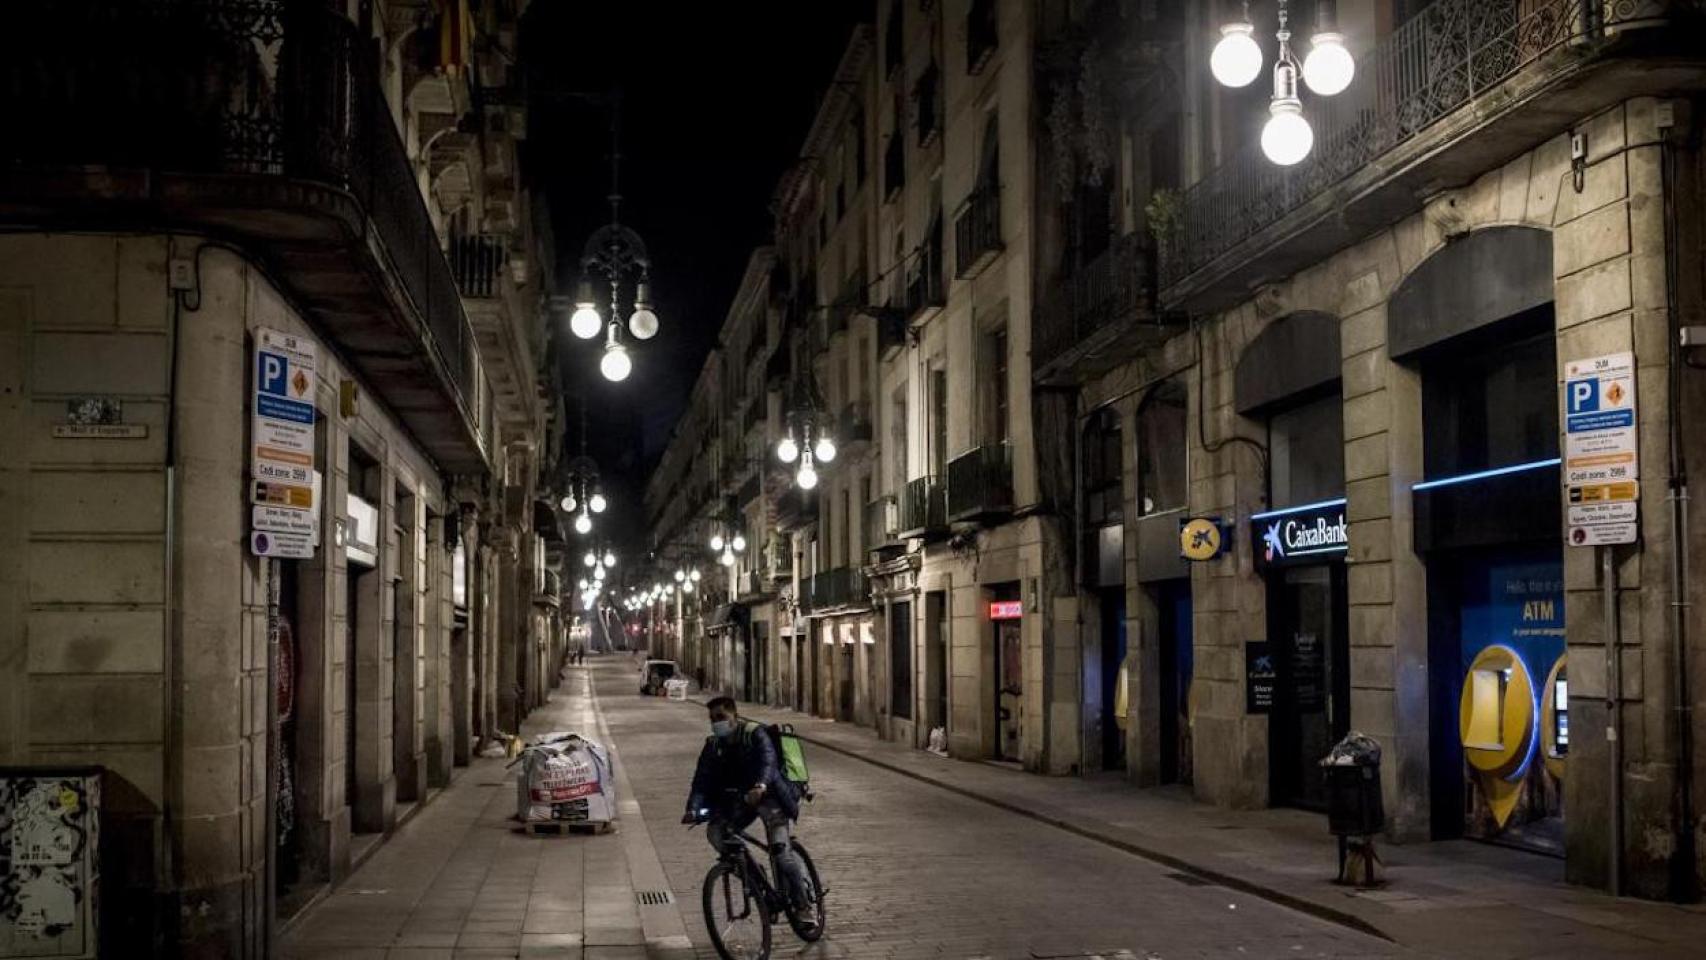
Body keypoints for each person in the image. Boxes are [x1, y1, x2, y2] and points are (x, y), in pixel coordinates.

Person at [682, 697, 812, 915]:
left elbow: (768, 761)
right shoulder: (713, 745)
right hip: (742, 801)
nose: (717, 723)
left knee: (781, 854)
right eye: (713, 719)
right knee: (716, 832)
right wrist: (692, 808)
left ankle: (803, 905)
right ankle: (752, 874)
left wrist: (760, 785)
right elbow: (701, 779)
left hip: (771, 796)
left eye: (721, 717)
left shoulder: (755, 734)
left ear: (735, 716)